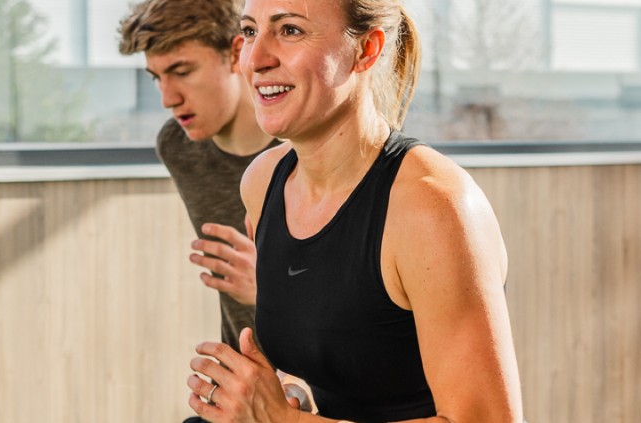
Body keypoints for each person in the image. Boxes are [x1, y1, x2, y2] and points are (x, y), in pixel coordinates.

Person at [185, 0, 524, 421]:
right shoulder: (263, 182)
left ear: (366, 50)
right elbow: (329, 353)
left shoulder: (434, 207)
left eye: (290, 30)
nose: (256, 59)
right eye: (251, 31)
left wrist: (284, 420)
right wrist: (289, 393)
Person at [119, 0, 279, 350]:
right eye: (157, 77)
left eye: (182, 71)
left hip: (323, 378)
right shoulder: (177, 146)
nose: (168, 99)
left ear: (236, 53)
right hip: (239, 369)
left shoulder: (306, 148)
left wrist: (271, 291)